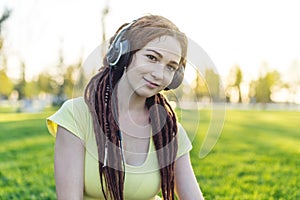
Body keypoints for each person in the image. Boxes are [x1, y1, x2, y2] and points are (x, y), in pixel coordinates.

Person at [47, 14, 204, 200]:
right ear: (123, 54)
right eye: (152, 57)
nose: (159, 74)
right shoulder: (76, 116)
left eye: (170, 67)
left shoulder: (169, 130)